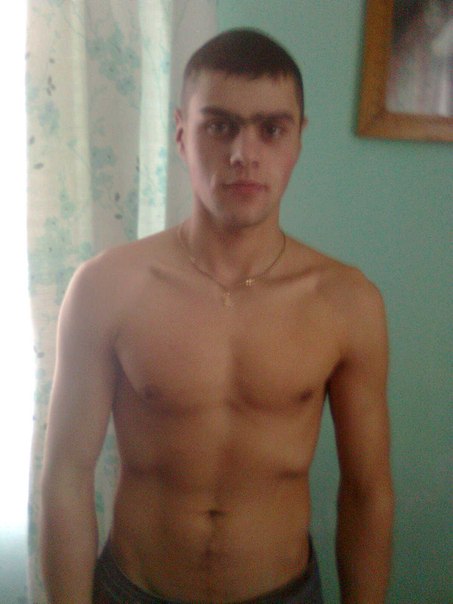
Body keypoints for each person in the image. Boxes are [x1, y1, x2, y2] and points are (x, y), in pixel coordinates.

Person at [40, 28, 394, 604]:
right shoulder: (107, 288)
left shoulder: (345, 302)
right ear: (182, 134)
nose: (243, 154)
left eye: (271, 129)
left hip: (284, 591)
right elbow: (65, 478)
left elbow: (367, 491)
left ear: (298, 140)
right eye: (220, 126)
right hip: (133, 589)